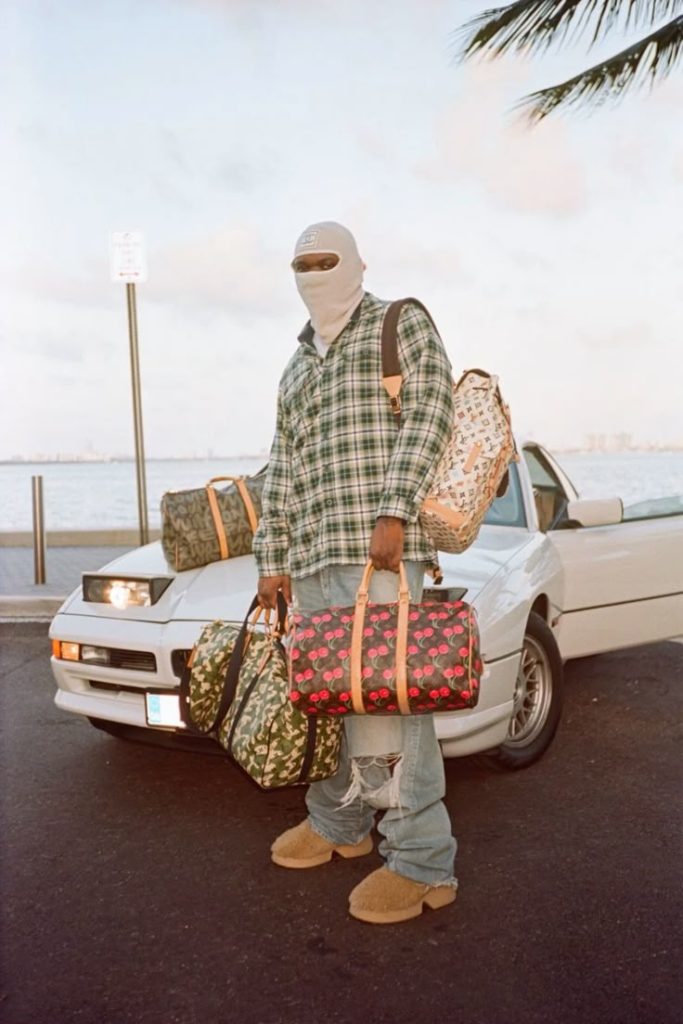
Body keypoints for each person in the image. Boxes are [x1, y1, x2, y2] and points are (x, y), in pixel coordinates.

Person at [254, 221, 457, 925]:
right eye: (302, 264)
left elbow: (430, 414)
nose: (314, 274)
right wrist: (272, 558)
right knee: (330, 701)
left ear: (357, 265)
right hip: (312, 559)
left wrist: (394, 511)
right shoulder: (296, 365)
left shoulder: (397, 326)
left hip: (381, 556)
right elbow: (282, 467)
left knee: (393, 708)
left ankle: (422, 861)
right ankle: (339, 822)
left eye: (326, 261)